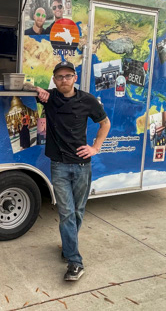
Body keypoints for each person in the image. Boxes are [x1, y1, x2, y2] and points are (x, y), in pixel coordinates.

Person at [35, 61, 111, 282]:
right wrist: (36, 90)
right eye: (59, 77)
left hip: (81, 165)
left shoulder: (87, 100)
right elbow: (25, 88)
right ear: (54, 79)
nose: (64, 80)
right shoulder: (50, 98)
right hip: (58, 165)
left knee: (78, 211)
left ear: (75, 78)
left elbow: (105, 123)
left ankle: (68, 246)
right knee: (66, 213)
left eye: (68, 76)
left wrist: (95, 148)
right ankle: (75, 262)